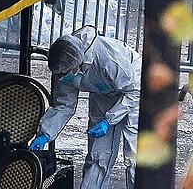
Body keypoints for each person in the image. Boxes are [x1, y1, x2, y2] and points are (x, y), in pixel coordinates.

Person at [29, 26, 141, 189]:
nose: (61, 78)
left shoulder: (106, 57)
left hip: (134, 88)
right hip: (103, 93)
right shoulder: (65, 68)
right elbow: (64, 105)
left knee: (135, 157)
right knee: (98, 155)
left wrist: (109, 120)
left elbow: (133, 91)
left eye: (64, 73)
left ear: (77, 64)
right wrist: (45, 134)